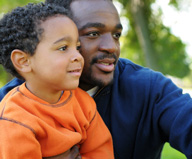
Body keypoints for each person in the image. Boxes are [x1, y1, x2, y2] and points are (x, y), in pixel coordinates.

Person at [1, 0, 192, 158]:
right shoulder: (9, 108)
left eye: (116, 34)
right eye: (93, 34)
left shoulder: (146, 88)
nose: (111, 47)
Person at [0, 2, 114, 159]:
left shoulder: (83, 103)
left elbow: (101, 152)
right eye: (63, 48)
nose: (78, 57)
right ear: (23, 61)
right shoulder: (15, 118)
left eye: (77, 47)